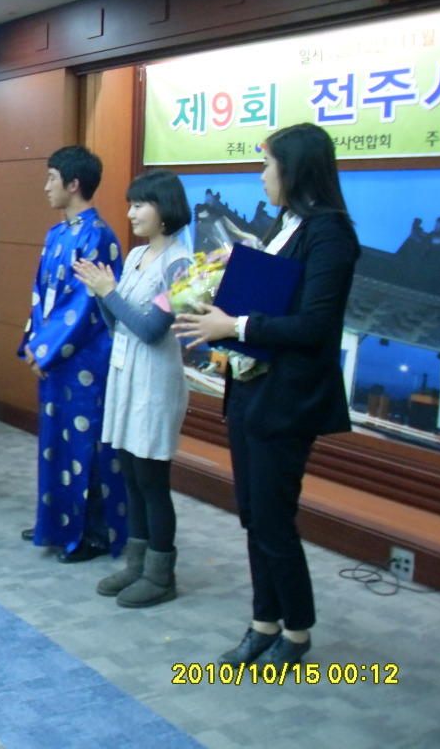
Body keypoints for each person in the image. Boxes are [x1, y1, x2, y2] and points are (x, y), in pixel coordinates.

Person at [173, 123, 360, 666]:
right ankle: (264, 622)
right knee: (254, 514)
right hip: (253, 388)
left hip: (288, 398)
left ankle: (296, 631)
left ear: (293, 170)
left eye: (266, 166)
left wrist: (234, 325)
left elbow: (315, 325)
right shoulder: (286, 225)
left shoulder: (330, 234)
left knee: (274, 517)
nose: (261, 177)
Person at [73, 170, 192, 607]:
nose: (131, 213)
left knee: (151, 480)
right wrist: (101, 294)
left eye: (140, 205)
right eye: (131, 204)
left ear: (164, 209)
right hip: (126, 378)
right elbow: (117, 324)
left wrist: (109, 293)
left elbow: (150, 329)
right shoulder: (138, 254)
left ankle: (160, 575)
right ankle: (137, 565)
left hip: (155, 383)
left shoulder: (181, 265)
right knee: (130, 475)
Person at [19, 145, 126, 563]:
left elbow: (85, 305)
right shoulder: (57, 233)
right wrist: (33, 343)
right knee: (54, 444)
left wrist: (43, 350)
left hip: (84, 359)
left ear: (74, 183)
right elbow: (41, 295)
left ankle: (91, 534)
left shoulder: (96, 235)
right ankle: (56, 522)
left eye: (52, 178)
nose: (46, 186)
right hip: (55, 357)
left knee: (85, 447)